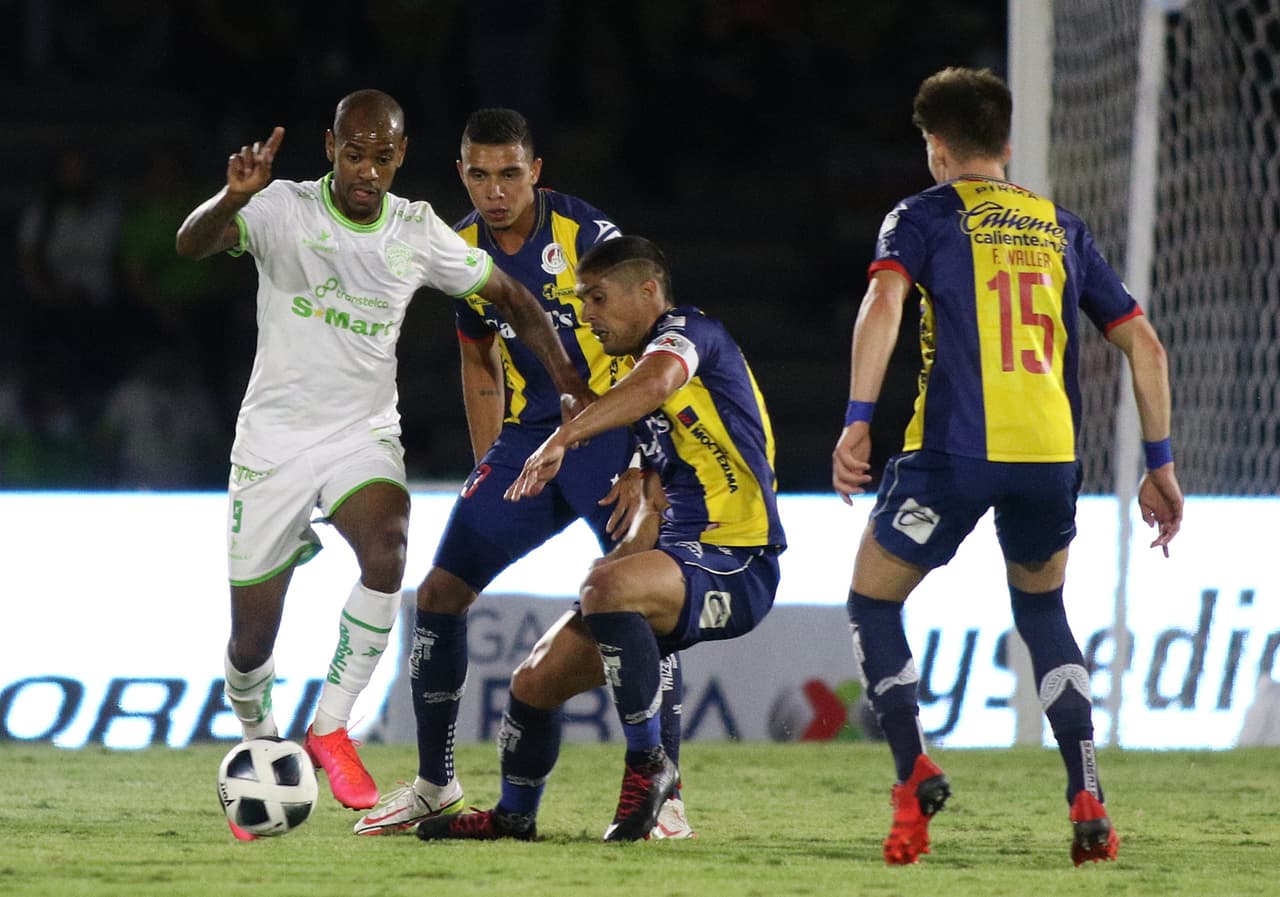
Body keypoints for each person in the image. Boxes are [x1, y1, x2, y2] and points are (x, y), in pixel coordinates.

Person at [174, 90, 591, 840]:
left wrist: (566, 381)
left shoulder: (417, 230)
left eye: (382, 157)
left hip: (361, 435)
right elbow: (191, 244)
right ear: (331, 148)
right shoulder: (282, 208)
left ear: (401, 157)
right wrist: (229, 197)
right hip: (272, 442)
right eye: (354, 153)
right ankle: (265, 744)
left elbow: (515, 299)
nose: (367, 170)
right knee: (250, 645)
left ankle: (331, 728)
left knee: (390, 546)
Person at [831, 67, 1184, 866]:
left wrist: (858, 419)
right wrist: (1160, 463)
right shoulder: (1061, 225)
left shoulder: (920, 215)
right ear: (1008, 143)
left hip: (953, 452)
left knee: (871, 603)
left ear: (937, 148)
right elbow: (1146, 345)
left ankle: (912, 773)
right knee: (1043, 610)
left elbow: (883, 304)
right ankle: (1086, 791)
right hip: (1050, 456)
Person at [355, 108, 693, 840]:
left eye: (510, 173)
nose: (495, 190)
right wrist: (488, 467)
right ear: (461, 174)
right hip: (530, 439)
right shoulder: (462, 246)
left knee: (630, 601)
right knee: (439, 593)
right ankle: (435, 781)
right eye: (479, 174)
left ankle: (662, 790)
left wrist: (645, 454)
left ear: (535, 170)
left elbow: (650, 329)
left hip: (611, 430)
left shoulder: (585, 237)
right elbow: (478, 355)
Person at [413, 234, 786, 843]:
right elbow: (657, 500)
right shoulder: (627, 376)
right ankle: (514, 816)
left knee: (605, 587)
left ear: (647, 291)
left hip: (737, 561)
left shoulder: (690, 336)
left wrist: (564, 436)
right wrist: (623, 562)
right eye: (581, 300)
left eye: (597, 298)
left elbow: (660, 381)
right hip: (681, 555)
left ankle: (650, 770)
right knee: (534, 680)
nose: (587, 314)